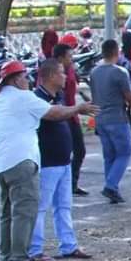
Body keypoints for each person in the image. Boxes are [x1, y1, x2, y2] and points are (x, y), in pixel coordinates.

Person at [0, 59, 96, 261]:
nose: (28, 81)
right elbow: (54, 113)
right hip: (22, 161)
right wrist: (78, 108)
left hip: (1, 163)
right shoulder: (24, 98)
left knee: (8, 213)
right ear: (17, 79)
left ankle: (5, 258)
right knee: (24, 212)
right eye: (25, 77)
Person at [28, 59, 92, 261]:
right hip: (48, 162)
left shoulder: (60, 96)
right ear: (51, 76)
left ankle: (69, 245)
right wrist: (77, 108)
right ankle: (35, 249)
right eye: (62, 73)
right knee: (40, 207)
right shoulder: (37, 98)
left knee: (64, 206)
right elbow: (55, 115)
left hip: (64, 161)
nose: (65, 77)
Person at [90, 38, 131, 204]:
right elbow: (130, 96)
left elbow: (94, 97)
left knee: (109, 155)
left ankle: (111, 186)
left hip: (101, 118)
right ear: (116, 52)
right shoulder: (120, 72)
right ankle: (111, 185)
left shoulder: (94, 72)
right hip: (117, 118)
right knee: (124, 152)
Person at [53, 42, 89, 195]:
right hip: (62, 115)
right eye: (69, 56)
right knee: (64, 153)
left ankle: (72, 183)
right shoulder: (53, 73)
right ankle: (63, 184)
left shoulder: (70, 70)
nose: (71, 59)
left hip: (72, 114)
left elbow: (74, 88)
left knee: (79, 150)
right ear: (60, 58)